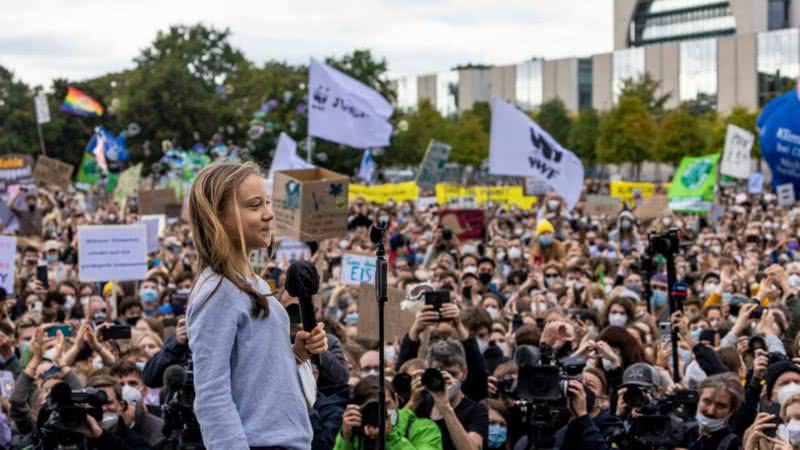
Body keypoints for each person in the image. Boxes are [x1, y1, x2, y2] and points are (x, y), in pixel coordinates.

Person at [185, 162, 328, 450]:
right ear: (217, 217)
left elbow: (253, 374)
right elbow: (212, 393)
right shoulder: (218, 290)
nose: (269, 213)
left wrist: (295, 355)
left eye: (267, 202)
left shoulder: (254, 284)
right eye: (254, 205)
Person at [424, 338, 488, 450]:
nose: (445, 379)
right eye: (439, 374)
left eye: (452, 373)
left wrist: (445, 406)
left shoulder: (477, 411)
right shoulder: (422, 404)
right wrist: (412, 402)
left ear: (464, 373)